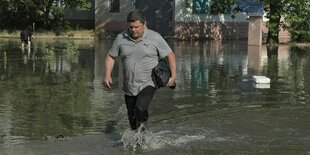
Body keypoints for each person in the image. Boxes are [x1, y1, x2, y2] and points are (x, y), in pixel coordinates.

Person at [104, 10, 176, 132]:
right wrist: (107, 75)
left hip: (149, 82)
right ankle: (139, 140)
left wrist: (173, 76)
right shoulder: (121, 38)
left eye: (137, 27)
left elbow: (170, 55)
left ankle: (144, 130)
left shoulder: (155, 37)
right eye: (131, 27)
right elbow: (111, 56)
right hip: (129, 86)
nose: (133, 30)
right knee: (133, 123)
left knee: (141, 108)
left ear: (144, 24)